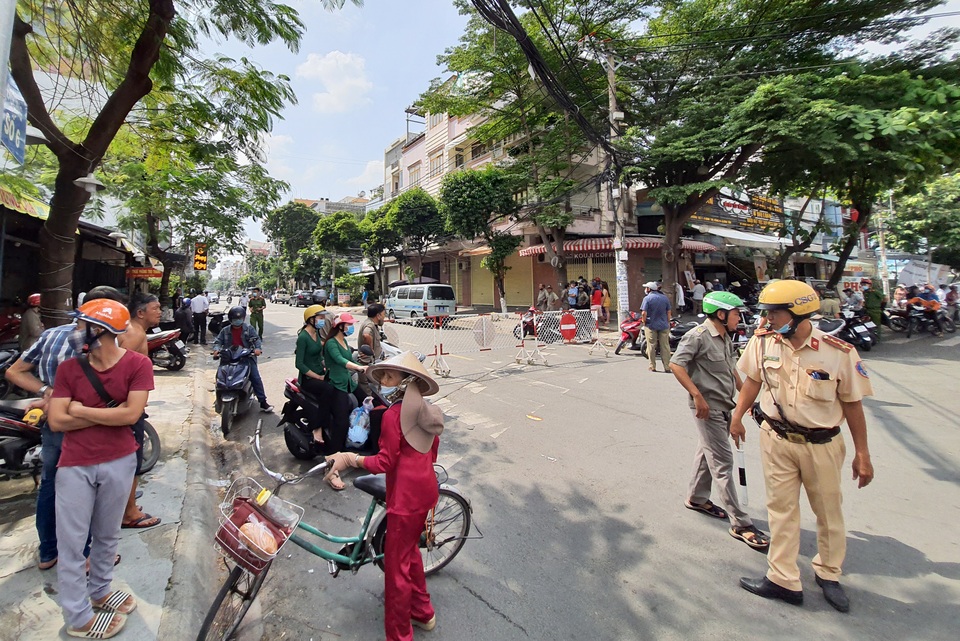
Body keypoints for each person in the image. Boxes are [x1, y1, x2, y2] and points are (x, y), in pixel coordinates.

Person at [730, 280, 874, 613]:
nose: (766, 321)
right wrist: (737, 417)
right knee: (780, 510)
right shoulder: (763, 343)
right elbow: (752, 381)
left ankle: (828, 573)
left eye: (773, 313)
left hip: (821, 444)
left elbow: (853, 405)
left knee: (828, 512)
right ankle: (783, 578)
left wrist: (862, 454)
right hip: (776, 438)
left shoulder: (838, 352)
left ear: (797, 313)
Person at [48, 298, 154, 639]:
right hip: (75, 465)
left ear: (98, 331)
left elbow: (131, 415)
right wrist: (109, 415)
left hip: (120, 460)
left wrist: (81, 411)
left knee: (108, 535)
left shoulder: (138, 365)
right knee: (72, 543)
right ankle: (78, 616)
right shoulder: (69, 368)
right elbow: (56, 420)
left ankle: (101, 591)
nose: (75, 332)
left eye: (81, 326)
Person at [5, 286, 126, 574]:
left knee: (50, 486)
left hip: (53, 424)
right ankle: (83, 556)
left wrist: (48, 390)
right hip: (88, 427)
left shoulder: (51, 335)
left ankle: (48, 551)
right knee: (86, 491)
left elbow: (14, 371)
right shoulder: (105, 342)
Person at [324, 351, 444, 641]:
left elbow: (384, 462)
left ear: (407, 381)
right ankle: (424, 612)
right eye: (384, 375)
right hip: (426, 491)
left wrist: (352, 459)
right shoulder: (424, 410)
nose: (384, 381)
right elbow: (433, 450)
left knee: (396, 571)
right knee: (410, 553)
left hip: (404, 498)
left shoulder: (393, 416)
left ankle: (399, 635)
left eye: (391, 376)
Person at [670, 291, 770, 550]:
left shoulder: (725, 337)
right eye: (737, 314)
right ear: (721, 314)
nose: (740, 318)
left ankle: (696, 498)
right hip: (708, 409)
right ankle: (741, 523)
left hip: (726, 406)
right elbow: (676, 365)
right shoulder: (697, 337)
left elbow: (731, 369)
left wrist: (746, 401)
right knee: (723, 462)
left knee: (708, 453)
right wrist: (696, 395)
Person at [117, 293, 163, 530]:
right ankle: (129, 513)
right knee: (132, 461)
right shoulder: (134, 334)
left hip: (129, 408)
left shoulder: (134, 331)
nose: (160, 311)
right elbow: (116, 371)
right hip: (127, 410)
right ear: (140, 312)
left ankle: (128, 504)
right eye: (156, 308)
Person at [323, 312, 368, 489]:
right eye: (348, 325)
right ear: (340, 326)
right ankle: (331, 466)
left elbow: (349, 356)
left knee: (370, 402)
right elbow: (340, 360)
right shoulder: (331, 343)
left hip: (348, 382)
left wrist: (361, 360)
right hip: (336, 384)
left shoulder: (344, 341)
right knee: (341, 424)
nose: (350, 327)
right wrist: (358, 366)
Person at [212, 306, 274, 413]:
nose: (237, 321)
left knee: (255, 377)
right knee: (220, 376)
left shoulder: (249, 329)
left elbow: (256, 340)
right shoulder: (225, 330)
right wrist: (216, 350)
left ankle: (263, 402)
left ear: (244, 318)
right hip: (229, 358)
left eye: (239, 318)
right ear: (231, 319)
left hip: (246, 357)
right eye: (235, 319)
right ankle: (219, 397)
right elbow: (218, 341)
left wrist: (257, 349)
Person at [295, 305, 337, 446]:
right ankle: (317, 428)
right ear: (311, 319)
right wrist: (317, 377)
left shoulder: (317, 333)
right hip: (308, 379)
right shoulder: (303, 337)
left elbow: (318, 356)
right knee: (328, 389)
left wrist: (326, 367)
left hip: (320, 372)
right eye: (320, 318)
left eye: (324, 318)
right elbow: (299, 364)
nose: (323, 321)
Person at [640, 281, 672, 372]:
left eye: (646, 288)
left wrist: (644, 321)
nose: (645, 289)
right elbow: (669, 312)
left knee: (651, 345)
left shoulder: (647, 299)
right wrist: (667, 322)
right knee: (665, 346)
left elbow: (643, 313)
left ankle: (652, 366)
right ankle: (667, 367)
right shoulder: (665, 298)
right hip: (664, 325)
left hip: (651, 325)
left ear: (649, 289)